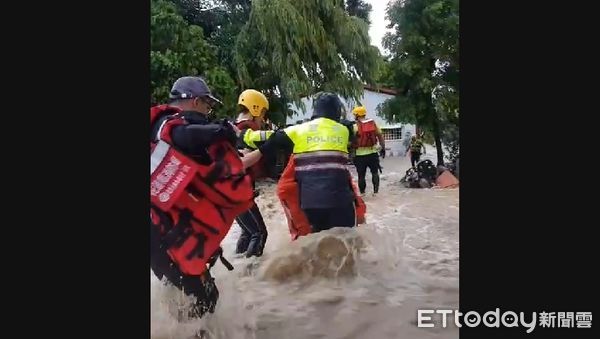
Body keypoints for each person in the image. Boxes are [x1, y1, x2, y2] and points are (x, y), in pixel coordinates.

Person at [150, 76, 255, 318]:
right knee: (203, 301)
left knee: (190, 299)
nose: (208, 112)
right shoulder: (167, 124)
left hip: (163, 232)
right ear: (196, 101)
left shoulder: (163, 130)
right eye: (208, 105)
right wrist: (221, 130)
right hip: (158, 236)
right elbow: (182, 135)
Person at [240, 92, 359, 233]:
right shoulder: (344, 130)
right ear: (337, 112)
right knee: (349, 240)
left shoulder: (297, 130)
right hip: (341, 201)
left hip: (310, 203)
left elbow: (263, 137)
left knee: (319, 241)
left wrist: (243, 137)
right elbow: (356, 129)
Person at [232, 89, 271, 258]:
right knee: (260, 233)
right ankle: (252, 274)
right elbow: (255, 137)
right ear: (255, 109)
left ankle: (240, 270)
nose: (263, 118)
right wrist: (281, 135)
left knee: (247, 232)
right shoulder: (246, 129)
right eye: (263, 113)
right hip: (239, 193)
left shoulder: (232, 127)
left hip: (231, 192)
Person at [351, 106, 386, 195]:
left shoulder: (355, 127)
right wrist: (383, 148)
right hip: (373, 153)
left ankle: (363, 193)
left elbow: (351, 141)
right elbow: (380, 136)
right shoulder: (373, 124)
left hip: (359, 155)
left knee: (361, 175)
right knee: (375, 172)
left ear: (356, 115)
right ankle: (376, 192)